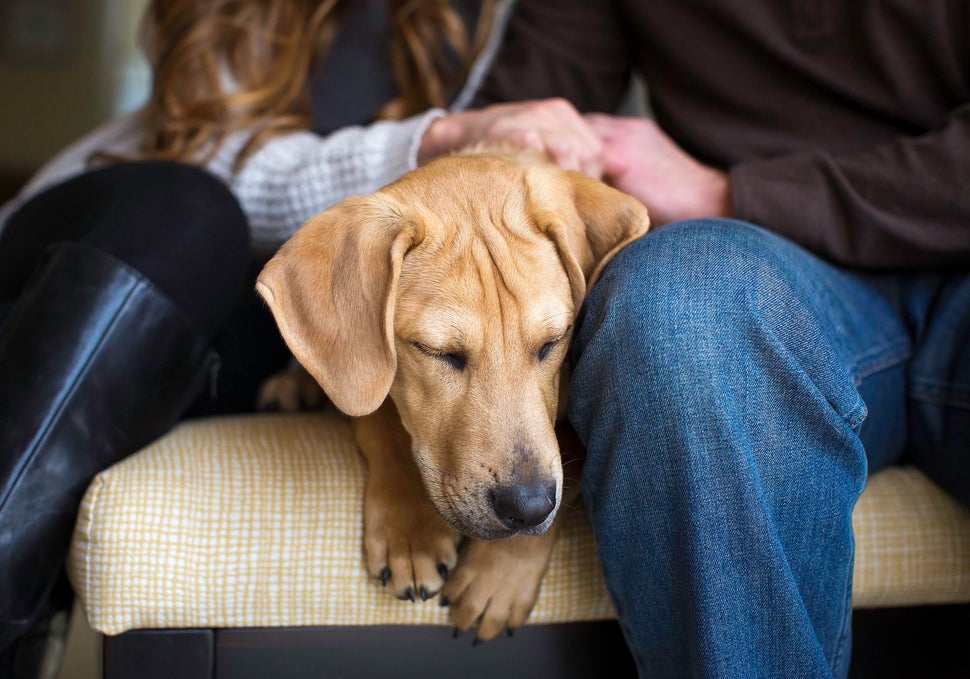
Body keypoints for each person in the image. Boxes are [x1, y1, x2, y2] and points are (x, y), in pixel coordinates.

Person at [0, 0, 613, 672]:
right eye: (448, 352)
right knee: (193, 212)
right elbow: (196, 151)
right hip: (111, 254)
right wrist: (431, 141)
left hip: (277, 320)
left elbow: (490, 279)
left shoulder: (524, 36)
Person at [459, 1, 969, 677]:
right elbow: (505, 139)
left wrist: (728, 192)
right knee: (679, 307)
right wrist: (507, 135)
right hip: (757, 284)